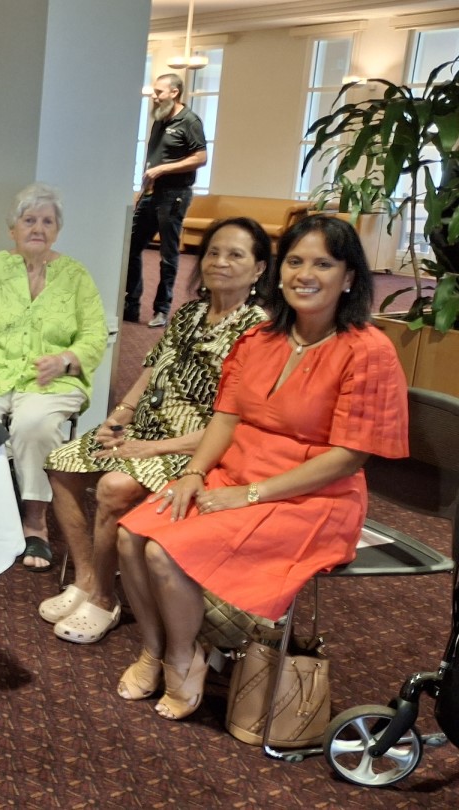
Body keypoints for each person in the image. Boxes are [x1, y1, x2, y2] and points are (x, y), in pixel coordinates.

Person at [114, 215, 408, 721]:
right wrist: (193, 473)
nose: (304, 274)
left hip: (313, 498)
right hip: (233, 477)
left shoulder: (368, 351)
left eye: (323, 263)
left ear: (350, 277)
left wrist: (250, 495)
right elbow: (225, 419)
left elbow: (348, 457)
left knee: (165, 552)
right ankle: (155, 650)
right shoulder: (261, 339)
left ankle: (185, 659)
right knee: (129, 535)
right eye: (295, 261)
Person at [40, 217, 271, 645]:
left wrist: (147, 449)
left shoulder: (259, 331)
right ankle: (88, 578)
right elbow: (151, 369)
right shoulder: (190, 312)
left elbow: (235, 423)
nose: (220, 262)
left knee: (112, 487)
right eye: (214, 253)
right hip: (144, 429)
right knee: (61, 465)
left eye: (236, 255)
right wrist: (119, 416)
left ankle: (106, 599)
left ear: (259, 270)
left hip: (193, 445)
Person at [0, 183, 107, 572]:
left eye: (47, 221)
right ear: (12, 228)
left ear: (57, 230)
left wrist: (66, 360)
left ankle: (34, 523)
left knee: (34, 426)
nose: (38, 228)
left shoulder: (76, 277)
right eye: (29, 220)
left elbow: (95, 336)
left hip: (49, 382)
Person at [123, 73, 208, 329]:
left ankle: (162, 309)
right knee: (132, 247)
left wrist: (163, 170)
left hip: (175, 195)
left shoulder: (189, 120)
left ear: (174, 92)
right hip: (151, 193)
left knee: (167, 255)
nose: (154, 96)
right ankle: (131, 303)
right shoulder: (160, 119)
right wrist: (144, 186)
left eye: (159, 92)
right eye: (154, 91)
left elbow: (200, 157)